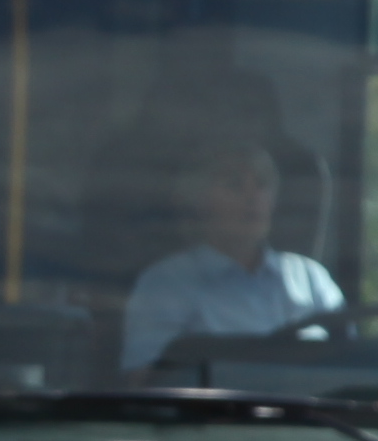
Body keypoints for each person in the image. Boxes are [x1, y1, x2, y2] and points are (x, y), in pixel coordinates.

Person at [112, 96, 346, 373]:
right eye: (234, 184)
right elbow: (144, 384)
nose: (252, 197)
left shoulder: (311, 280)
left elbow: (355, 369)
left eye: (262, 185)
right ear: (198, 200)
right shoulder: (166, 284)